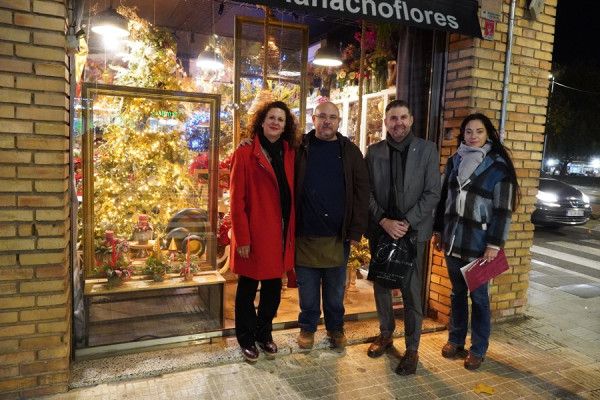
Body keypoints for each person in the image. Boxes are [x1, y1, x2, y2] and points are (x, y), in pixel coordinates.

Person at [433, 113, 520, 370]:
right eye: (468, 131)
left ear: (487, 134)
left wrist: (495, 244)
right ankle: (456, 340)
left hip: (479, 245)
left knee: (479, 298)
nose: (473, 136)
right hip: (451, 241)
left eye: (478, 131)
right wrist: (438, 231)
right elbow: (442, 200)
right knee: (457, 293)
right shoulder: (453, 161)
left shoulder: (498, 167)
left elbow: (503, 211)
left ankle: (479, 348)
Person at [364, 100, 441, 375]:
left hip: (413, 232)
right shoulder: (374, 152)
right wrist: (384, 221)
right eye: (392, 118)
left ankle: (412, 348)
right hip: (382, 230)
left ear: (411, 119)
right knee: (382, 286)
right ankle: (386, 334)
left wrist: (405, 223)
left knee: (411, 290)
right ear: (385, 122)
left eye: (403, 117)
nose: (398, 123)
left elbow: (433, 192)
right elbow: (367, 192)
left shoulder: (427, 150)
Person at [295, 101, 370, 351]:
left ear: (339, 122)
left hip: (338, 235)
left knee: (335, 289)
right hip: (304, 233)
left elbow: (362, 192)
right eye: (322, 116)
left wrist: (356, 230)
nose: (327, 121)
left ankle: (335, 328)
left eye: (333, 117)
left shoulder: (350, 151)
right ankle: (307, 327)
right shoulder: (299, 148)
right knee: (307, 289)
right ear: (313, 119)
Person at [229, 101, 297, 362]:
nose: (275, 123)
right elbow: (236, 201)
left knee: (273, 289)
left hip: (280, 233)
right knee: (247, 288)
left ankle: (264, 333)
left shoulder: (289, 153)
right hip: (255, 235)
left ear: (285, 126)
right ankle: (245, 338)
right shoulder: (245, 153)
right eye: (271, 118)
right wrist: (242, 238)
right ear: (261, 121)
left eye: (280, 120)